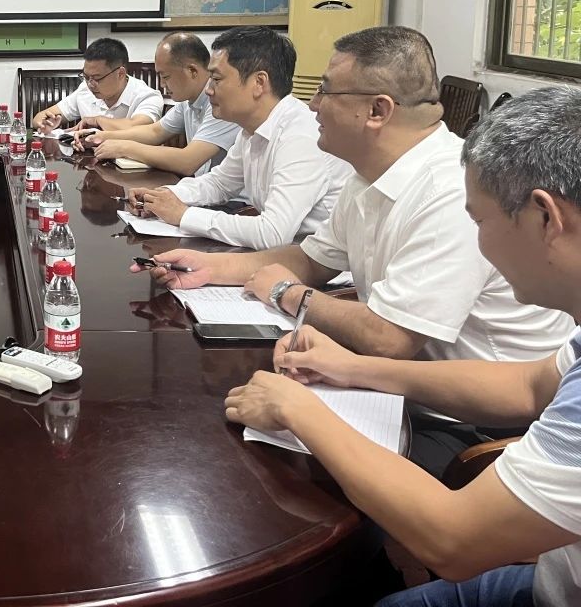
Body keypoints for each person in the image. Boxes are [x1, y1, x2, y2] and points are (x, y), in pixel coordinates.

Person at [144, 27, 572, 471]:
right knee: (233, 422)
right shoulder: (369, 174)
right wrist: (211, 267)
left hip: (473, 427)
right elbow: (312, 258)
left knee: (256, 462)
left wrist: (288, 294)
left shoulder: (448, 189)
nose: (313, 104)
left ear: (376, 111)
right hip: (399, 388)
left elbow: (389, 339)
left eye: (326, 91)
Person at [226, 86, 581, 607]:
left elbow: (454, 540)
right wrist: (353, 368)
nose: (478, 242)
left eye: (479, 221)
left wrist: (296, 408)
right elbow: (531, 383)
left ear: (546, 217)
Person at [126, 26, 351, 250]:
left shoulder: (299, 135)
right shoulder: (251, 129)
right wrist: (164, 196)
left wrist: (183, 214)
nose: (208, 90)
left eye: (216, 79)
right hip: (282, 253)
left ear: (259, 83)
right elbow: (219, 184)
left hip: (314, 263)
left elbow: (272, 233)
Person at [85, 32, 238, 176]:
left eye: (165, 76)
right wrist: (100, 136)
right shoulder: (188, 101)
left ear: (192, 70)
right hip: (203, 187)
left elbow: (187, 161)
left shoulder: (222, 101)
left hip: (227, 194)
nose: (162, 84)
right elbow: (155, 132)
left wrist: (124, 147)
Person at [31, 37, 164, 134]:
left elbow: (140, 127)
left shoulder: (147, 96)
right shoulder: (85, 90)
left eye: (97, 78)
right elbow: (41, 116)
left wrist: (97, 121)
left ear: (120, 73)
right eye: (86, 77)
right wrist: (44, 124)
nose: (90, 84)